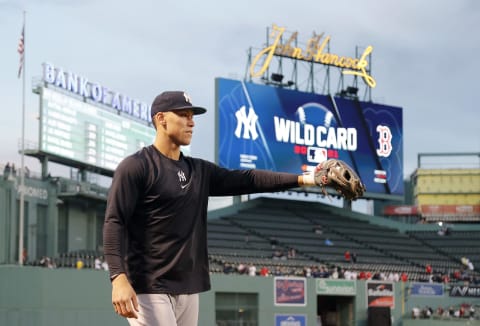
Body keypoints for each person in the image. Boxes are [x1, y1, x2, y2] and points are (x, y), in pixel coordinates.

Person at [103, 91, 323, 326]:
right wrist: (118, 277)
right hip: (150, 286)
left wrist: (305, 179)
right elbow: (114, 222)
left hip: (188, 288)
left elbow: (247, 179)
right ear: (161, 119)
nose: (192, 121)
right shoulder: (137, 166)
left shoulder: (199, 171)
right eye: (183, 114)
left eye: (192, 116)